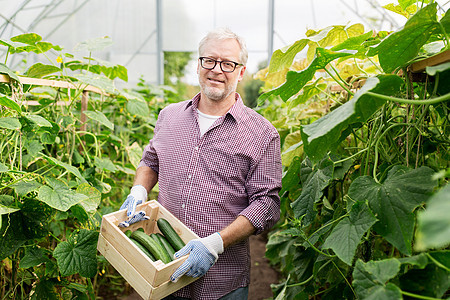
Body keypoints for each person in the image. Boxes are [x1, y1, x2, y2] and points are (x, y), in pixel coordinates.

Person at [120, 27, 282, 300]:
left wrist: (215, 243)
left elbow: (267, 205)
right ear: (198, 65)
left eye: (228, 63)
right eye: (209, 60)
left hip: (223, 282)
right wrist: (138, 191)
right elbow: (151, 161)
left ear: (241, 72)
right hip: (164, 271)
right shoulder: (169, 117)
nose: (217, 69)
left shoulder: (262, 133)